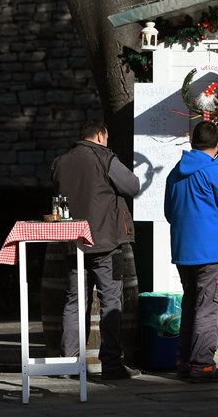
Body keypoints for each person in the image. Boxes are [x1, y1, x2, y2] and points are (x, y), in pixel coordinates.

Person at [51, 118, 141, 380]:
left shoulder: (61, 162)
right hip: (106, 244)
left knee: (73, 301)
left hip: (72, 242)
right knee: (111, 300)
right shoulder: (105, 158)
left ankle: (67, 364)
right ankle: (111, 364)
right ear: (101, 135)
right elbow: (132, 186)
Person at [164, 121, 218, 383]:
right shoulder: (217, 170)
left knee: (192, 307)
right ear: (217, 145)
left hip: (185, 251)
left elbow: (170, 213)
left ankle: (184, 361)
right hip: (215, 252)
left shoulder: (175, 173)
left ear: (192, 142)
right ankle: (202, 365)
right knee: (210, 310)